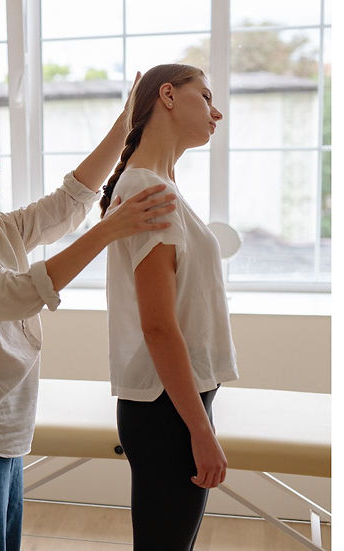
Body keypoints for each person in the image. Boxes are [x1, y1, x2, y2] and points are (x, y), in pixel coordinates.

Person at [0, 77, 177, 551]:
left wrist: (126, 122)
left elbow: (69, 201)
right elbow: (16, 294)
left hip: (4, 430)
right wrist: (109, 229)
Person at [100, 63, 239, 550]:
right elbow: (158, 325)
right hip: (167, 409)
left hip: (176, 401)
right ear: (167, 96)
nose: (216, 111)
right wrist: (201, 433)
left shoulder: (161, 185)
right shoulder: (146, 190)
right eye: (205, 95)